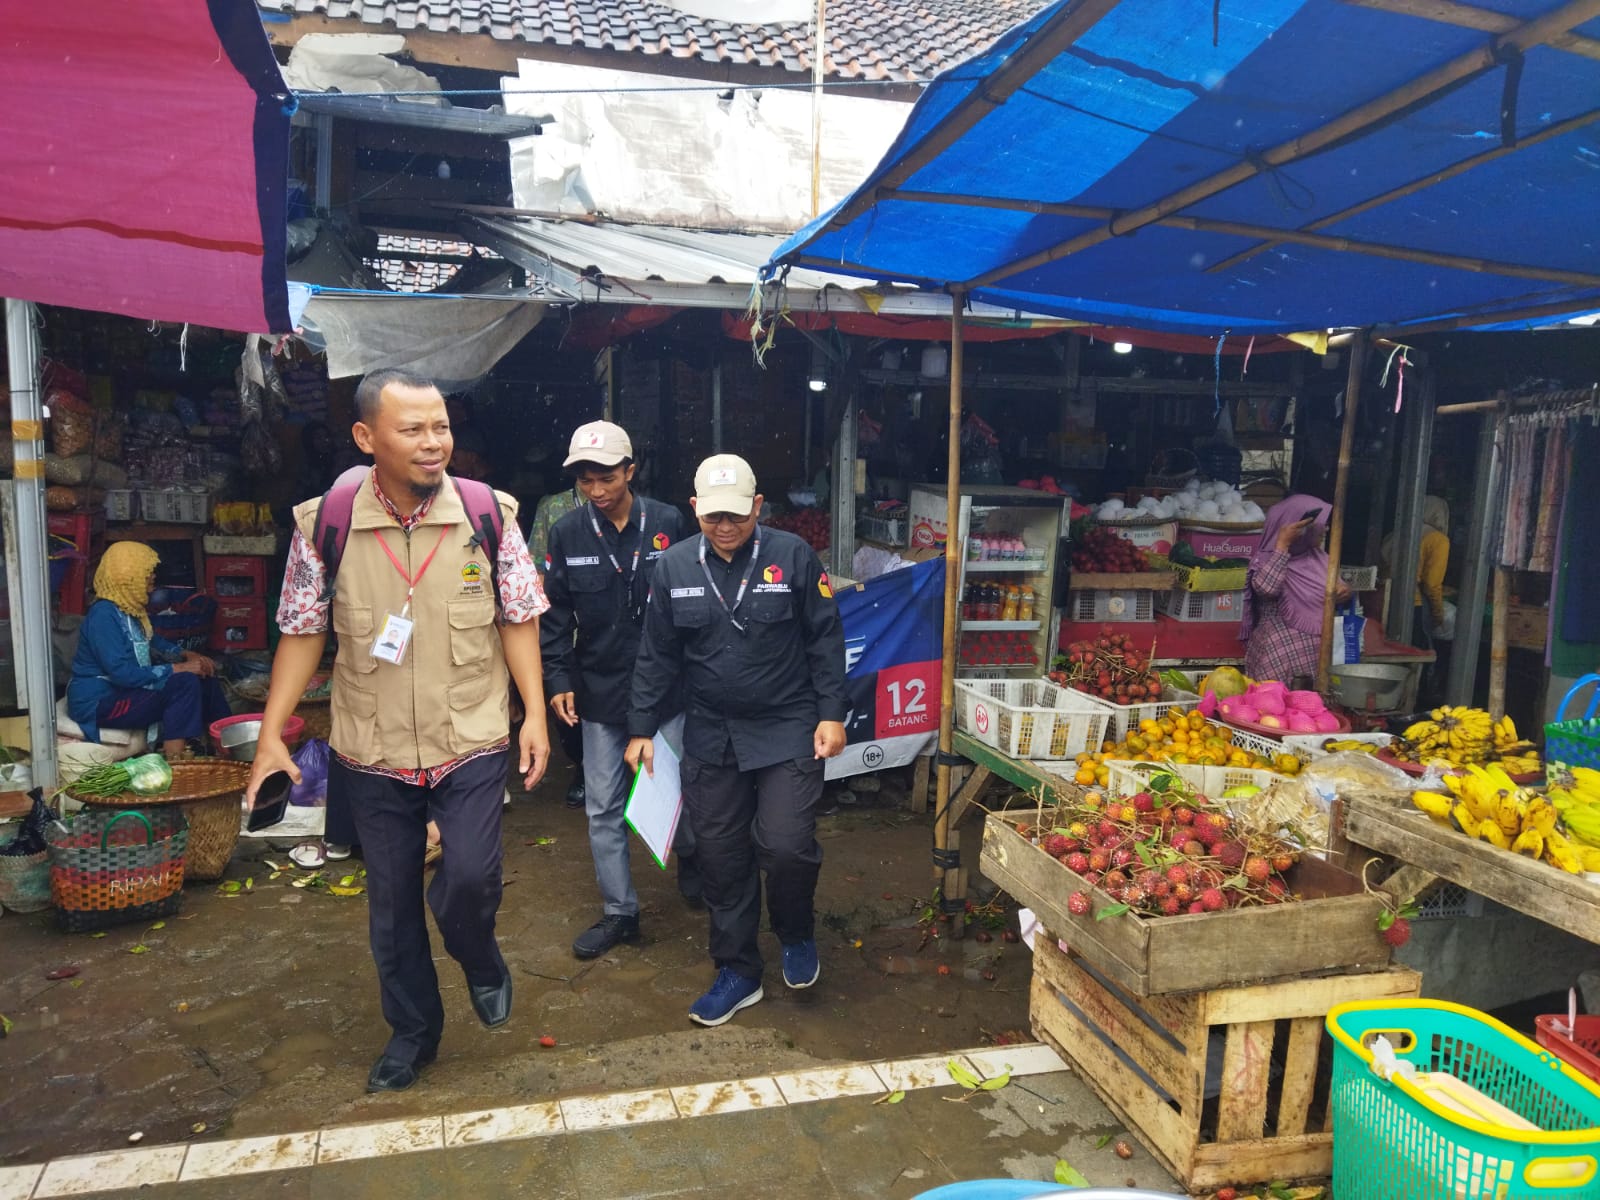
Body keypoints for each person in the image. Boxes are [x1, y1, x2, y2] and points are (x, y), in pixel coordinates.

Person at [244, 367, 551, 1094]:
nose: (433, 442)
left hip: (471, 735)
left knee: (469, 879)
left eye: (440, 426)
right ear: (366, 437)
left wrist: (535, 712)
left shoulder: (487, 514)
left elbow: (518, 615)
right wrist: (270, 733)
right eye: (412, 429)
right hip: (371, 746)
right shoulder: (326, 523)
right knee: (390, 911)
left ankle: (477, 953)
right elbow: (302, 630)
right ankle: (413, 1032)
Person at [626, 454, 847, 1027]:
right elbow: (656, 654)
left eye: (737, 515)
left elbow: (825, 640)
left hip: (787, 725)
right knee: (721, 856)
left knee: (787, 845)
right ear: (695, 508)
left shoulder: (793, 557)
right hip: (711, 733)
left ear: (758, 506)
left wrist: (832, 714)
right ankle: (737, 970)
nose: (725, 527)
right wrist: (641, 727)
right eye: (713, 516)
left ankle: (795, 932)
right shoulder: (673, 567)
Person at [541, 421, 699, 959]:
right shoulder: (567, 533)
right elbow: (555, 614)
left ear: (630, 471)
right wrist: (558, 678)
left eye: (606, 477)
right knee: (602, 806)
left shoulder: (669, 522)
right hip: (601, 692)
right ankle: (620, 912)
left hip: (667, 690)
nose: (597, 490)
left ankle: (692, 857)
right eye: (585, 480)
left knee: (679, 792)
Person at [67, 542, 232, 757]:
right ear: (127, 575)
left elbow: (153, 641)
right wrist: (178, 668)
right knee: (184, 684)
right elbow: (122, 674)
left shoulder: (129, 608)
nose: (153, 576)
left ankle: (228, 746)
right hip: (100, 702)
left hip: (125, 691)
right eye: (146, 571)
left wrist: (185, 654)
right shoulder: (103, 615)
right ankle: (175, 761)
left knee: (204, 677)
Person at [1240, 495, 1352, 685]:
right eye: (1319, 523)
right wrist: (1282, 545)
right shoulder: (1267, 559)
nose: (1325, 529)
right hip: (1279, 658)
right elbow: (1267, 589)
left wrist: (1345, 592)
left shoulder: (1320, 558)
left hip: (1317, 657)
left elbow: (1339, 589)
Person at [529, 479, 587, 809]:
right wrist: (539, 637)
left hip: (608, 627)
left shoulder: (634, 508)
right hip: (565, 625)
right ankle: (582, 767)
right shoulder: (553, 507)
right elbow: (538, 569)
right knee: (568, 706)